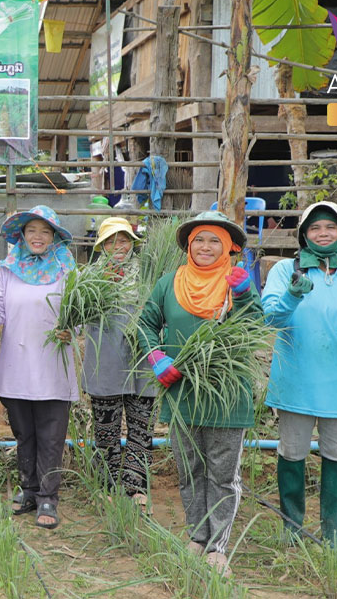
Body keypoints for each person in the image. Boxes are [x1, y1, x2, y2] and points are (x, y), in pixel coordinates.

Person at [135, 211, 261, 575]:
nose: (206, 247)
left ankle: (218, 546)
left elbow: (256, 326)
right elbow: (145, 323)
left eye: (214, 241)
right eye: (199, 240)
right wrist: (157, 357)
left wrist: (244, 295)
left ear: (229, 247)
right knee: (189, 469)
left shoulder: (237, 281)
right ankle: (197, 535)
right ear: (189, 245)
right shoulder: (168, 283)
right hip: (181, 391)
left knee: (222, 474)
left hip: (226, 394)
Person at [262, 201, 337, 555]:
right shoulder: (286, 271)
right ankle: (292, 529)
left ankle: (333, 537)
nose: (323, 233)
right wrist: (292, 296)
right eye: (315, 228)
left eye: (330, 227)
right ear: (303, 234)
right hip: (296, 379)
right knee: (292, 452)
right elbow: (271, 318)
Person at [0, 205, 79, 530]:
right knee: (23, 432)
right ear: (22, 236)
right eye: (32, 231)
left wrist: (73, 330)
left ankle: (47, 498)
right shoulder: (7, 269)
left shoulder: (67, 268)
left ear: (54, 236)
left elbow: (79, 313)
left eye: (45, 231)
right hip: (16, 363)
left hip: (53, 364)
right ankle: (28, 491)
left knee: (52, 435)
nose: (38, 237)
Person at [82, 217, 157, 509]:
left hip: (142, 360)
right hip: (105, 361)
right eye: (111, 241)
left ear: (132, 243)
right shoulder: (89, 277)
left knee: (141, 427)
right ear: (101, 246)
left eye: (124, 240)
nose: (119, 246)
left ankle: (136, 487)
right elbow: (75, 316)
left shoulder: (148, 274)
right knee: (105, 429)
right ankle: (108, 485)